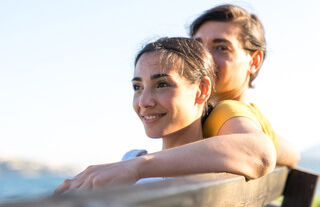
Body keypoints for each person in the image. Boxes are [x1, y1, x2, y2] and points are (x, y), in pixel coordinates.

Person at [54, 37, 277, 195]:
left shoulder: (136, 166)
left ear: (201, 90)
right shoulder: (130, 160)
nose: (144, 101)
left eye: (162, 84)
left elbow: (262, 155)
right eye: (137, 87)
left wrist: (137, 167)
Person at [189, 4, 300, 167]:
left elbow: (262, 154)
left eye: (221, 48)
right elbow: (292, 153)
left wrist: (143, 164)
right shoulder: (251, 119)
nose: (205, 57)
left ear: (254, 61)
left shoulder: (224, 111)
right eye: (197, 47)